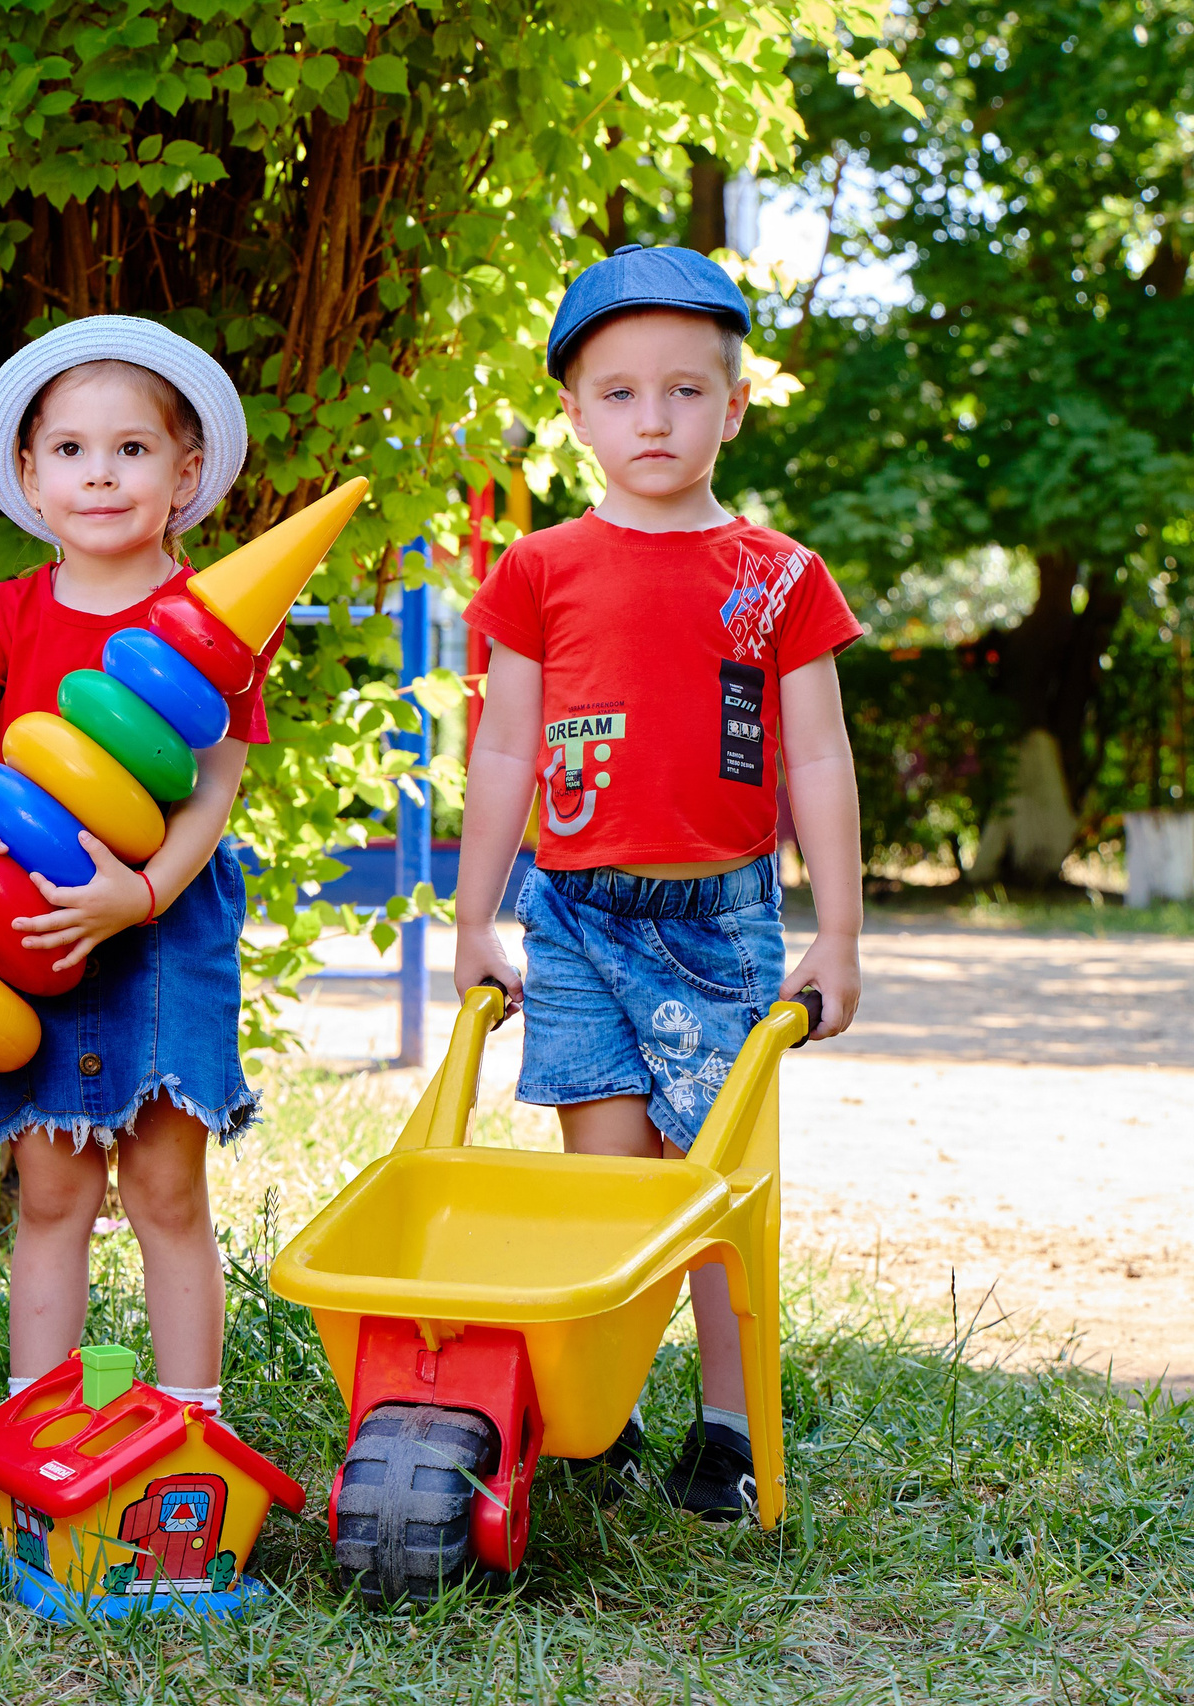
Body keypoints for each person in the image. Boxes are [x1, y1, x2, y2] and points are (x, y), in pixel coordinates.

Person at [455, 244, 865, 1519]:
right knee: (610, 1178)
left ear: (731, 408)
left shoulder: (777, 576)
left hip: (721, 920)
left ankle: (731, 1428)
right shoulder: (536, 569)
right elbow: (508, 746)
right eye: (620, 392)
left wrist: (839, 933)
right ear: (574, 412)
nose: (652, 417)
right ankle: (604, 1414)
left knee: (716, 1190)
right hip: (573, 915)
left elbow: (816, 753)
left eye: (685, 391)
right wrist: (477, 915)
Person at [0, 317, 275, 1420]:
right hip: (26, 933)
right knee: (51, 1188)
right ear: (28, 473)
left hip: (158, 927)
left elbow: (211, 789)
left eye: (131, 449)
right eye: (68, 449)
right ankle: (35, 1420)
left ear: (184, 471)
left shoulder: (217, 621)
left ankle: (191, 1423)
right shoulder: (6, 610)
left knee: (166, 1185)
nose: (98, 473)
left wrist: (141, 893)